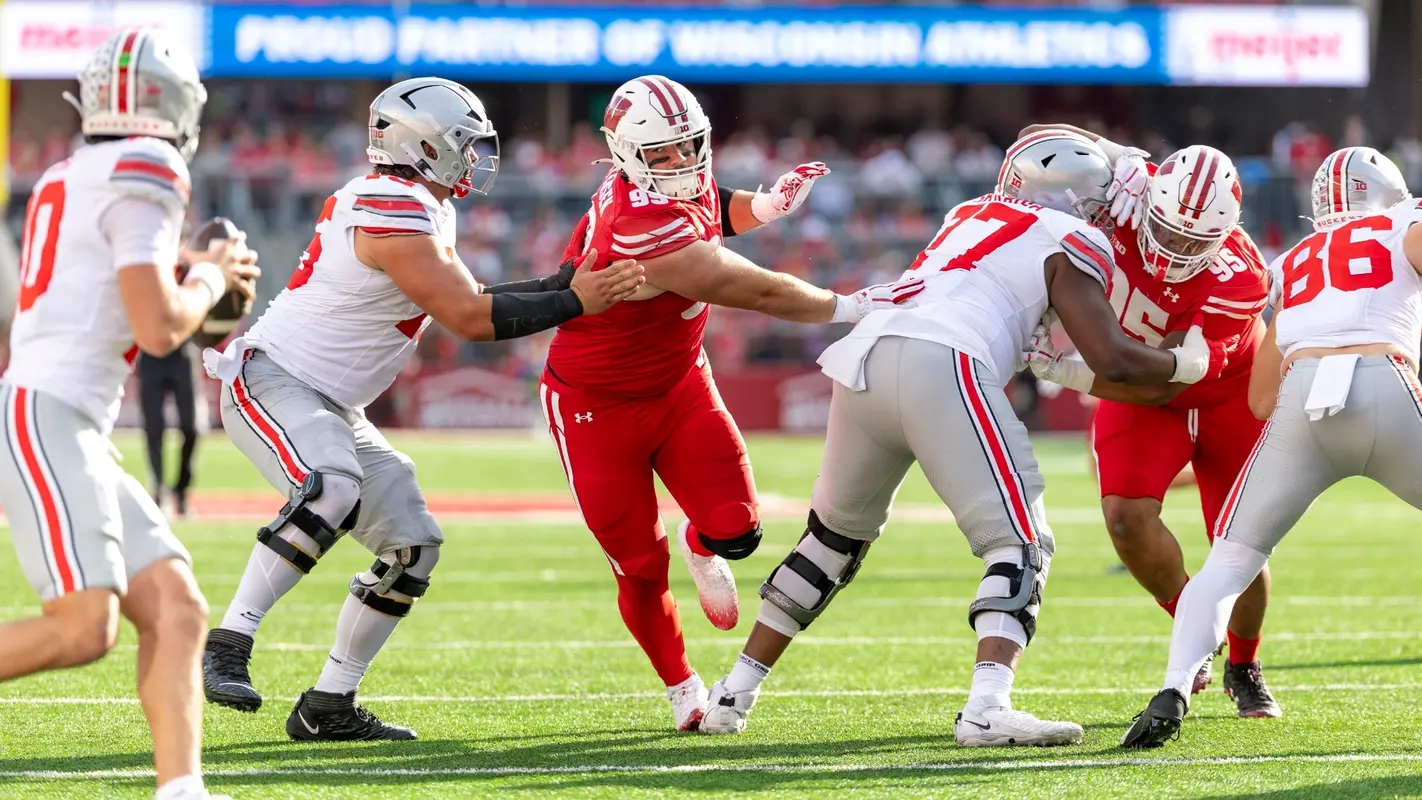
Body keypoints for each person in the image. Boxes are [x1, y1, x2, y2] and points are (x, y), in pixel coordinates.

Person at [699, 131, 1227, 745]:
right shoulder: (1074, 236)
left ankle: (733, 694)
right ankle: (987, 705)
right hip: (945, 361)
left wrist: (1049, 357)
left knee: (827, 543)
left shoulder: (968, 214)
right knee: (1022, 544)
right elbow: (1111, 357)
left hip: (869, 355)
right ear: (1079, 198)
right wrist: (1179, 366)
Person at [198, 76, 645, 741]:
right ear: (424, 144)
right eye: (463, 144)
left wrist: (563, 285)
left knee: (413, 546)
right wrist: (575, 299)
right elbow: (469, 316)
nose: (474, 158)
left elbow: (471, 294)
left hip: (333, 402)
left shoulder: (424, 205)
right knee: (332, 486)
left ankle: (329, 706)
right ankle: (227, 644)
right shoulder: (387, 202)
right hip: (274, 379)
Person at [541, 75, 923, 731]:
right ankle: (683, 688)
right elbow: (757, 291)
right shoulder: (640, 226)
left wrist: (764, 208)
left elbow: (708, 204)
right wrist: (850, 305)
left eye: (691, 145)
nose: (683, 163)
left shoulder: (654, 188)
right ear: (629, 155)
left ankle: (702, 543)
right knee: (638, 565)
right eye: (664, 153)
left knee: (736, 530)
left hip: (680, 383)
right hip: (594, 407)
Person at [0, 28, 256, 800]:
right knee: (84, 628)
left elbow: (128, 293)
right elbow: (158, 327)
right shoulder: (148, 164)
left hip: (64, 414)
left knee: (177, 607)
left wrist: (193, 281)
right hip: (50, 410)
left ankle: (182, 791)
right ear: (174, 103)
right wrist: (210, 279)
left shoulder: (71, 170)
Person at [1122, 147, 1416, 748]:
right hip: (1385, 379)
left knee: (1230, 559)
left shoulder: (1290, 262)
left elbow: (1260, 399)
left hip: (1303, 401)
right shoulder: (1403, 221)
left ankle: (1175, 685)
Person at [1021, 124, 1279, 717]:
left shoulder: (1240, 276)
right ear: (1151, 200)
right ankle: (1196, 634)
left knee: (1239, 544)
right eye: (1167, 231)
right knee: (1124, 519)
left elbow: (1163, 377)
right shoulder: (1127, 194)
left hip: (1222, 391)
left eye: (1196, 243)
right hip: (1144, 382)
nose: (1177, 250)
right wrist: (1108, 155)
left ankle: (1244, 660)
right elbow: (1044, 138)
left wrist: (1074, 374)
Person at [138, 341, 200, 516]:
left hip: (183, 352)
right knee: (154, 428)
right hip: (151, 353)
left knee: (191, 428)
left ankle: (181, 490)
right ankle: (159, 491)